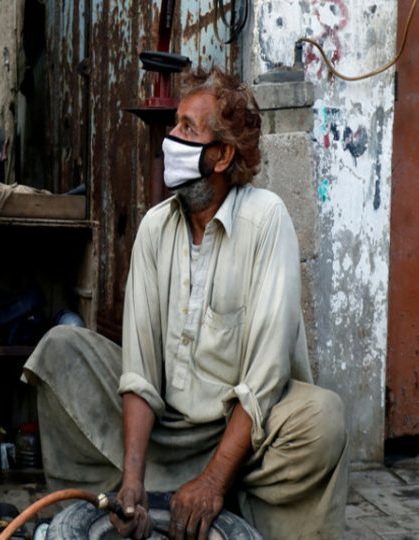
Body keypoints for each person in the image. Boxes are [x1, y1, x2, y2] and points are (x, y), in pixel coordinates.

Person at [22, 67, 348, 540]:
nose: (170, 139)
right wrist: (132, 478)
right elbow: (138, 368)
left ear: (222, 156)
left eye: (186, 129)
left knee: (324, 417)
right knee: (59, 351)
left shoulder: (267, 221)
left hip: (245, 434)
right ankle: (133, 493)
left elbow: (264, 377)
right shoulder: (156, 227)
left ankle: (218, 491)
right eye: (175, 125)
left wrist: (214, 480)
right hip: (165, 432)